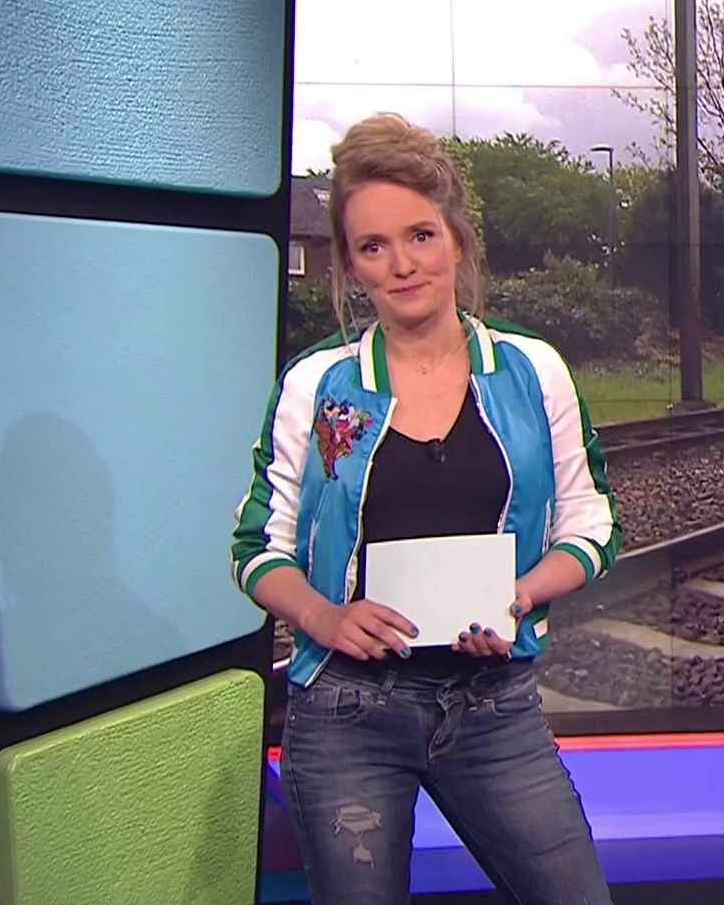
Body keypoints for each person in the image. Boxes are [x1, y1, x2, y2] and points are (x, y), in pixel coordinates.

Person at [229, 112, 621, 904]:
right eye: (374, 247)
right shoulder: (316, 384)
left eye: (420, 236)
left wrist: (520, 595)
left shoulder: (533, 371)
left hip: (494, 707)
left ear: (457, 240)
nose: (402, 265)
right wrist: (324, 617)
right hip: (345, 714)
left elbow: (592, 525)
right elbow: (255, 548)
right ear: (350, 263)